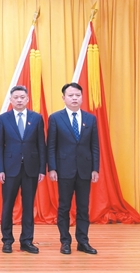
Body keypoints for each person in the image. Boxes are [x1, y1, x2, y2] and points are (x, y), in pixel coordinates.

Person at [48, 82, 100, 255]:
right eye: (71, 95)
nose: (74, 98)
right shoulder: (55, 118)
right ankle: (65, 241)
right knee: (64, 207)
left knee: (83, 208)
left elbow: (94, 146)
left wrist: (95, 168)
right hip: (64, 169)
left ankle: (83, 241)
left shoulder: (90, 119)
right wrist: (52, 168)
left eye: (77, 95)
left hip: (85, 169)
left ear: (82, 97)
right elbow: (51, 146)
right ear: (64, 98)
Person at [0, 85, 45, 254]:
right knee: (8, 205)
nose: (19, 100)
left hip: (31, 168)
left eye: (22, 97)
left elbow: (41, 145)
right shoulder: (3, 118)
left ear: (27, 99)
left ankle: (27, 241)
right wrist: (0, 169)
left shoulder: (36, 118)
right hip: (9, 169)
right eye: (15, 97)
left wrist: (42, 169)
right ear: (11, 100)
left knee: (28, 206)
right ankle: (7, 240)